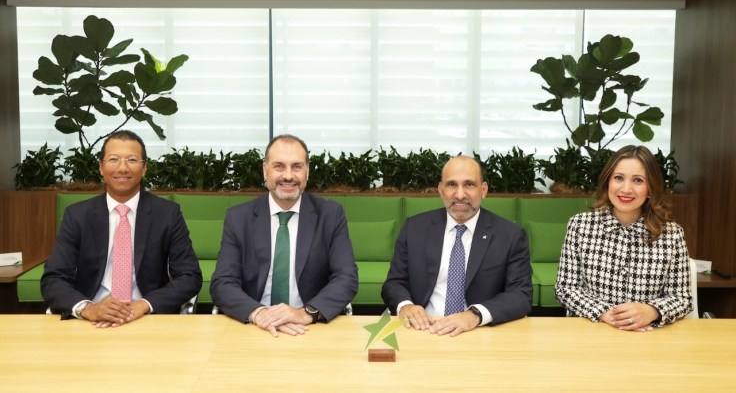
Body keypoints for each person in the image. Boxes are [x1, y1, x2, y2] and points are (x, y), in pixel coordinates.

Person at [41, 130, 203, 327]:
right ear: (101, 167)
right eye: (114, 159)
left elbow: (189, 276)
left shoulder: (167, 214)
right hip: (92, 319)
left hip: (146, 318)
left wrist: (144, 305)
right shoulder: (77, 215)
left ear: (144, 168)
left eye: (132, 160)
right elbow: (53, 278)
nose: (123, 168)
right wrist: (88, 308)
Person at [210, 134, 358, 337]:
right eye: (279, 166)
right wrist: (259, 314)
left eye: (297, 167)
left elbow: (346, 278)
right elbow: (223, 283)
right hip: (254, 327)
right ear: (265, 170)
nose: (288, 176)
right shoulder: (238, 218)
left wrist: (305, 313)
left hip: (309, 328)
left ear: (307, 172)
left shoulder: (330, 215)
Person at [381, 155, 533, 336]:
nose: (460, 195)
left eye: (469, 184)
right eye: (452, 185)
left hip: (479, 331)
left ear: (483, 190)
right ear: (441, 190)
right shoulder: (414, 228)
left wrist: (475, 315)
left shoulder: (510, 235)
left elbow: (520, 295)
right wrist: (406, 306)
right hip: (423, 329)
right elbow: (394, 283)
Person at [555, 145, 692, 331]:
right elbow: (565, 288)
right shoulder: (580, 225)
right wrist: (605, 313)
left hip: (648, 335)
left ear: (650, 188)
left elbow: (682, 298)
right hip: (592, 330)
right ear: (608, 182)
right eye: (619, 178)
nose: (626, 189)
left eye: (638, 180)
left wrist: (652, 311)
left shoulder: (672, 234)